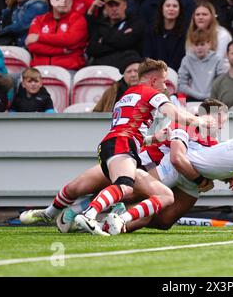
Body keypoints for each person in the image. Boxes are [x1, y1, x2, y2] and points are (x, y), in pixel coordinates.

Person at [20, 58, 214, 235]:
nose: (165, 86)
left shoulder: (127, 95)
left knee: (78, 187)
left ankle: (51, 212)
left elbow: (128, 129)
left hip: (112, 145)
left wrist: (153, 138)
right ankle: (89, 215)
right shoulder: (151, 92)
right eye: (163, 82)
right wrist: (201, 121)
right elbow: (175, 114)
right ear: (153, 80)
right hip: (122, 146)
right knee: (125, 186)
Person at [25, 0, 88, 72]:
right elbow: (33, 46)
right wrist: (61, 50)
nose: (64, 0)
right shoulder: (39, 20)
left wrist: (39, 37)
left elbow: (70, 40)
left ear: (72, 1)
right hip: (38, 71)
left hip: (67, 70)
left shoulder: (78, 19)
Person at [86, 0, 145, 67]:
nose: (114, 9)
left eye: (117, 5)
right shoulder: (100, 25)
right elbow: (92, 50)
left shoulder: (135, 22)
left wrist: (103, 40)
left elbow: (128, 42)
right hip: (102, 68)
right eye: (110, 5)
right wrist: (121, 37)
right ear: (105, 8)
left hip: (127, 68)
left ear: (125, 5)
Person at [178, 29, 227, 102]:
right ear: (192, 45)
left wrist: (211, 95)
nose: (199, 48)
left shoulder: (217, 59)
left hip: (213, 100)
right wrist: (199, 95)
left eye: (202, 44)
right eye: (196, 44)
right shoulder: (186, 60)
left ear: (209, 44)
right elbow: (181, 85)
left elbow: (222, 83)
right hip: (192, 99)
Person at [143, 0, 187, 71]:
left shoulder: (185, 32)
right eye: (168, 6)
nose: (171, 9)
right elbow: (147, 55)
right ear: (161, 8)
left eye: (175, 6)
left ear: (180, 10)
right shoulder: (150, 30)